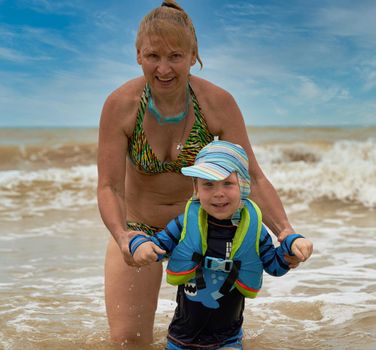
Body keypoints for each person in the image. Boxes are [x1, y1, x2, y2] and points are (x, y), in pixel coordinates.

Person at [97, 0, 306, 345]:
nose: (163, 68)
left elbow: (251, 176)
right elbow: (109, 187)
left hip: (205, 230)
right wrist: (124, 238)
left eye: (175, 56)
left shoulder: (216, 102)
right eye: (153, 56)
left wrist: (286, 232)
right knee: (127, 341)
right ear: (138, 55)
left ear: (193, 55)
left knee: (210, 340)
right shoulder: (121, 105)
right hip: (138, 230)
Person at [129, 141, 313, 349]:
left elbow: (274, 266)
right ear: (196, 188)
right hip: (181, 339)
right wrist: (139, 245)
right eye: (208, 184)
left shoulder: (253, 230)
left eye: (227, 183)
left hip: (229, 340)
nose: (218, 192)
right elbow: (156, 246)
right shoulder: (185, 223)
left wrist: (291, 247)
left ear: (243, 186)